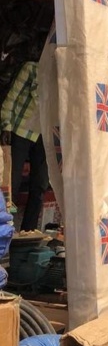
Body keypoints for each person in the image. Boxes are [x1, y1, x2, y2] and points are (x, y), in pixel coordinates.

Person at [1, 61, 48, 232]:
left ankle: (28, 231)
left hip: (44, 135)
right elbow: (12, 98)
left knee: (40, 185)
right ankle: (6, 227)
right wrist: (6, 125)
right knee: (12, 184)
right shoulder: (31, 68)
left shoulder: (62, 76)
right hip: (21, 130)